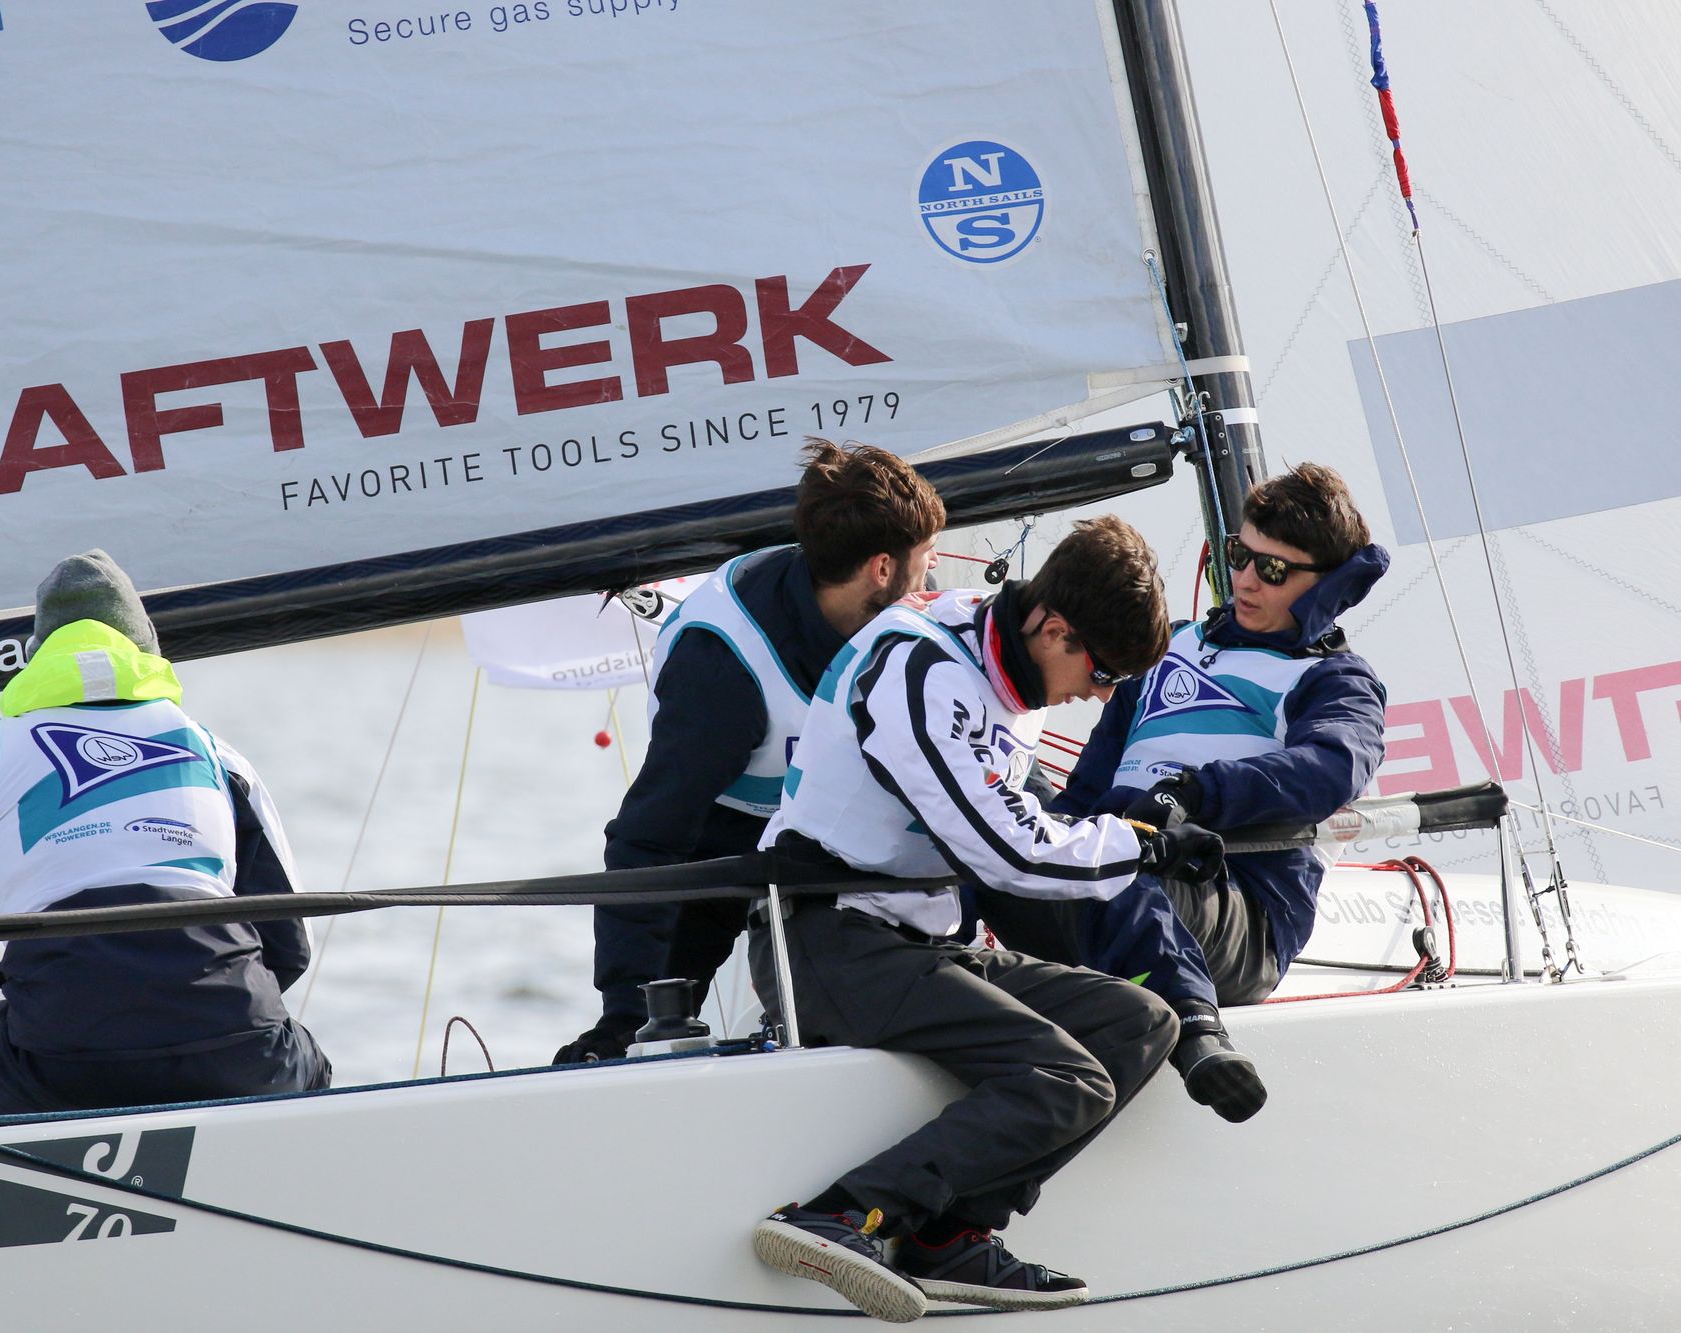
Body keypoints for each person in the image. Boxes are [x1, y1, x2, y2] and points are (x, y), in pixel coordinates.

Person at [749, 517, 1221, 1320]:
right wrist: (1140, 846)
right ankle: (842, 1213)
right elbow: (1010, 855)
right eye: (1103, 672)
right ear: (1053, 627)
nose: (1100, 696)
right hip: (824, 940)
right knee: (1068, 1077)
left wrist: (1137, 840)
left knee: (1141, 1023)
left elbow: (1026, 824)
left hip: (912, 938)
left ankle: (950, 1235)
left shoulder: (1003, 663)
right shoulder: (922, 669)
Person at [0, 550, 331, 1117]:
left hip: (64, 1058)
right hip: (240, 1048)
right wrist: (186, 1023)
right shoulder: (217, 755)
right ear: (148, 652)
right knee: (306, 1062)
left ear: (35, 656)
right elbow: (289, 948)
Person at [985, 463, 1388, 1125]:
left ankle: (1197, 1032)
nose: (1246, 579)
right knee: (984, 837)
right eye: (1239, 555)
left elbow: (1330, 769)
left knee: (1121, 865)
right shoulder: (1168, 646)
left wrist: (1193, 793)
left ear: (1326, 582)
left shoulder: (1332, 679)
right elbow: (1087, 794)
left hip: (1240, 912)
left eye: (1274, 570)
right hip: (1123, 878)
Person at [554, 438, 946, 1063]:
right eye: (927, 557)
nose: (935, 573)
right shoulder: (724, 671)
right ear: (881, 569)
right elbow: (646, 840)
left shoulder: (901, 611)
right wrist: (626, 1011)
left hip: (831, 840)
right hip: (720, 839)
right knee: (647, 1027)